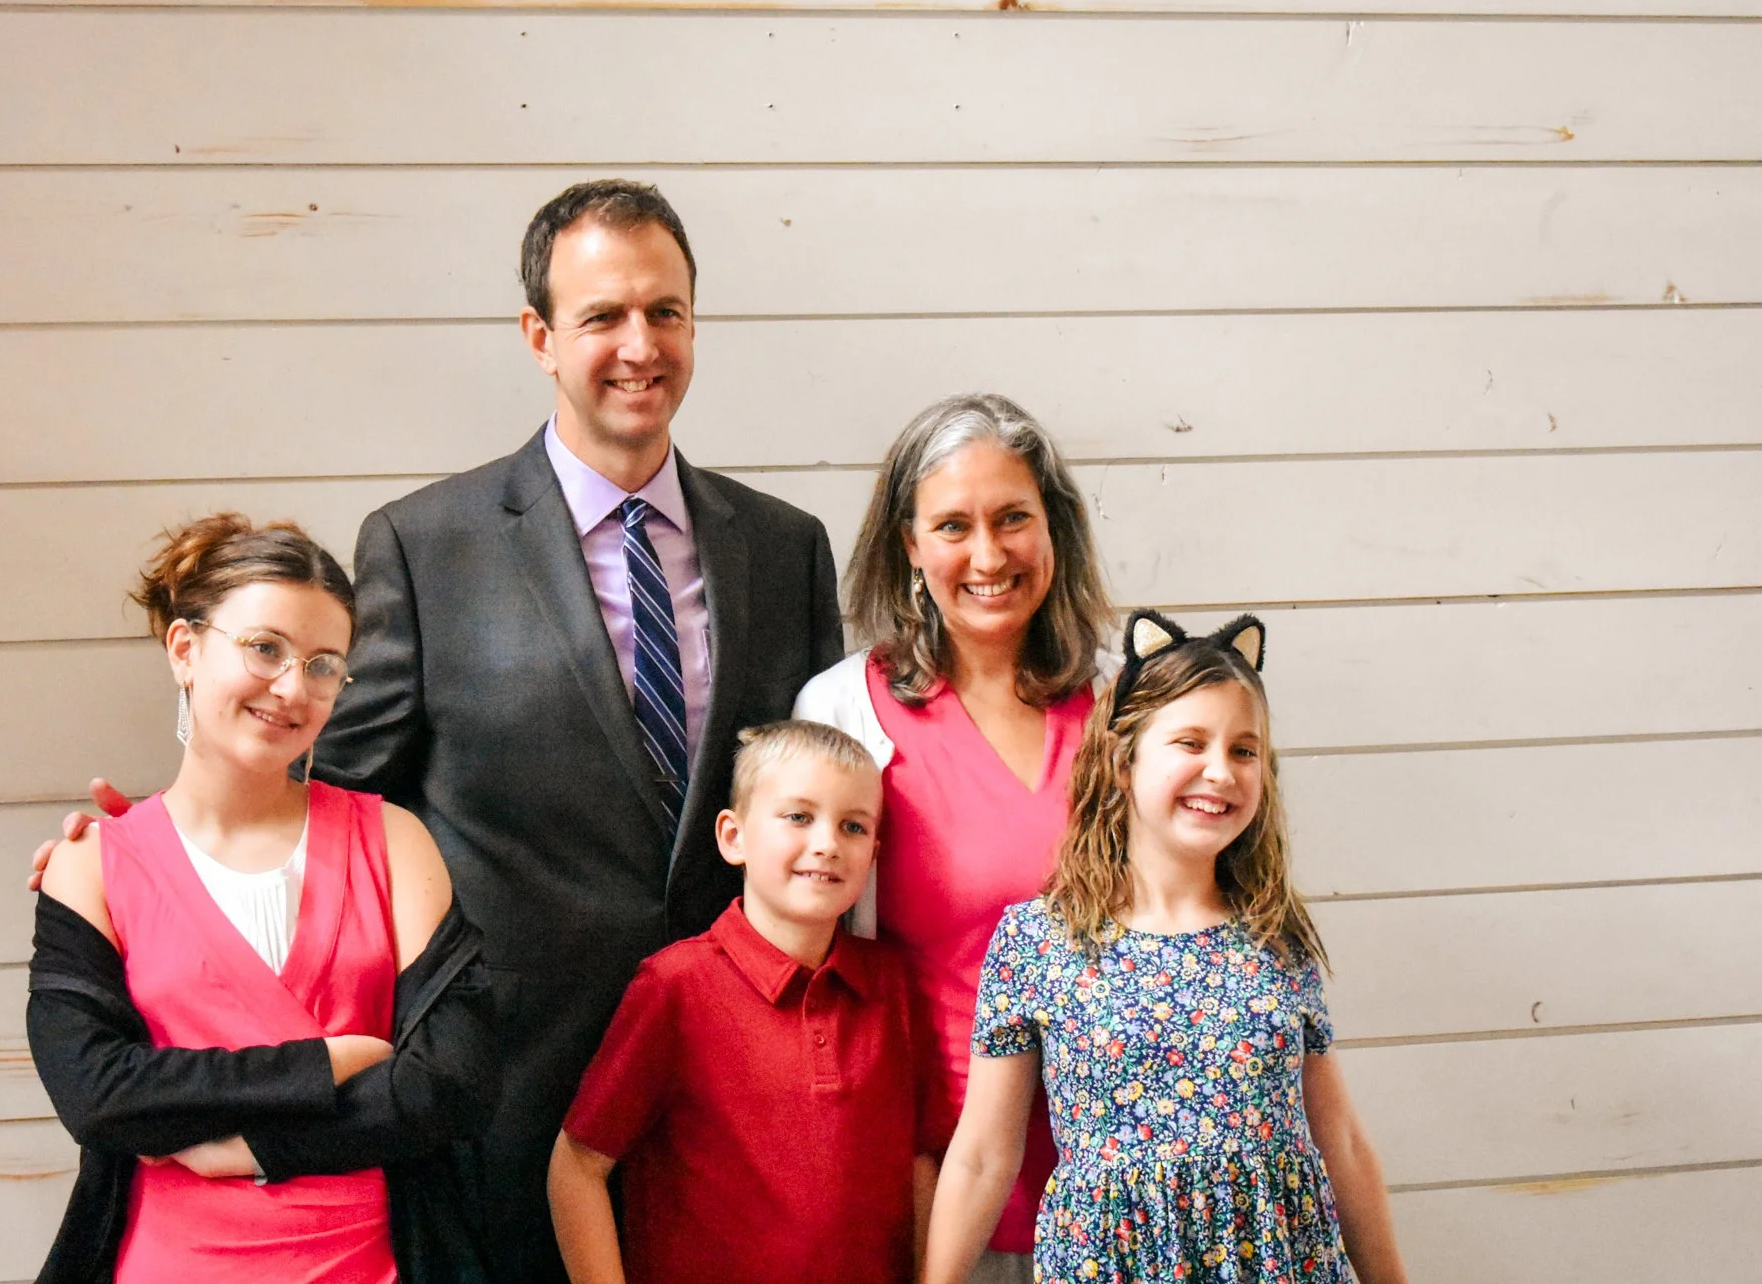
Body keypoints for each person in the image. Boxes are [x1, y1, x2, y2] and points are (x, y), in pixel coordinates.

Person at [33, 179, 844, 1281]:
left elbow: (820, 798)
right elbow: (329, 788)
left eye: (665, 311)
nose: (639, 344)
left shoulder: (786, 548)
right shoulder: (427, 544)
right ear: (539, 337)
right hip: (507, 1088)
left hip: (733, 1082)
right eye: (602, 315)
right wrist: (155, 850)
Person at [29, 515, 497, 1282]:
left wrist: (255, 1147)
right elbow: (99, 1095)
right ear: (185, 649)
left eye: (323, 664)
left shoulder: (393, 840)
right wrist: (322, 1064)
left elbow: (455, 1082)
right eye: (265, 648)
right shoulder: (92, 865)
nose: (292, 687)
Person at [922, 611, 1408, 1284]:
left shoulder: (1274, 933)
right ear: (1124, 761)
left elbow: (1343, 1142)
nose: (1221, 771)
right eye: (1190, 743)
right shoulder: (1041, 939)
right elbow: (982, 1156)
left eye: (1244, 750)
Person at [795, 393, 1116, 1283]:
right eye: (952, 526)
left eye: (1013, 518)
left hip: (1118, 1187)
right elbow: (804, 969)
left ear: (1054, 524)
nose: (987, 556)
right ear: (908, 543)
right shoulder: (843, 711)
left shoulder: (1127, 701)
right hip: (933, 1189)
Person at [548, 721, 946, 1284]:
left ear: (874, 853)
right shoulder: (675, 987)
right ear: (734, 836)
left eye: (854, 826)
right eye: (799, 817)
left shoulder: (892, 985)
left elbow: (921, 1161)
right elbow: (578, 1166)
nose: (827, 843)